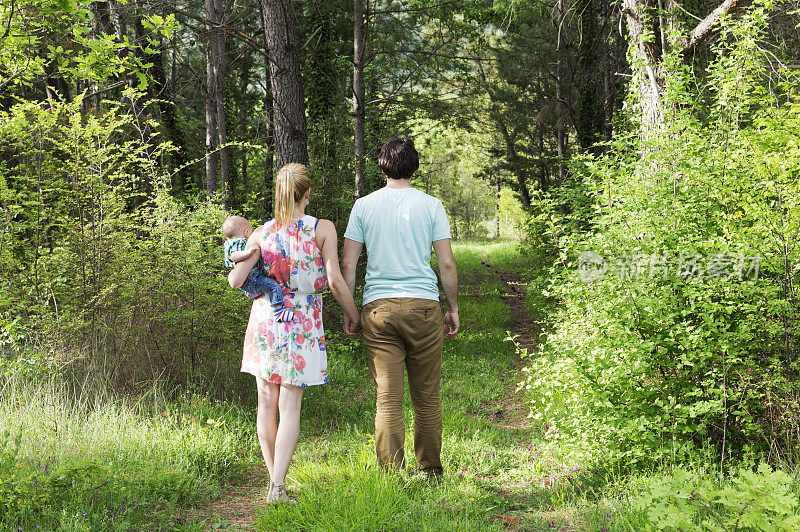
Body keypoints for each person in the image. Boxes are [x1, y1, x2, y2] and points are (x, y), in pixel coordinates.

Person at [228, 163, 361, 503]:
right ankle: (277, 487)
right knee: (289, 407)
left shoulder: (261, 231)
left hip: (265, 319)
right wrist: (353, 315)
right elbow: (333, 280)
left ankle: (276, 485)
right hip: (300, 320)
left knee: (265, 404)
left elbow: (236, 279)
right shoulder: (322, 228)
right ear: (307, 193)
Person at [341, 137, 459, 479]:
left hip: (378, 310)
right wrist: (451, 307)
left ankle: (392, 475)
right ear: (414, 167)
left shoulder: (363, 206)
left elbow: (348, 265)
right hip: (424, 307)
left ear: (382, 166)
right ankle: (431, 471)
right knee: (426, 398)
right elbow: (447, 264)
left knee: (388, 399)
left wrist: (351, 311)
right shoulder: (432, 205)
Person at [221, 215, 292, 322]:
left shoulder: (232, 242)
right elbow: (233, 256)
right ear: (246, 232)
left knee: (270, 285)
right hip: (251, 277)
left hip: (251, 277)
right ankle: (278, 311)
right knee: (273, 286)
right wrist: (247, 252)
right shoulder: (238, 243)